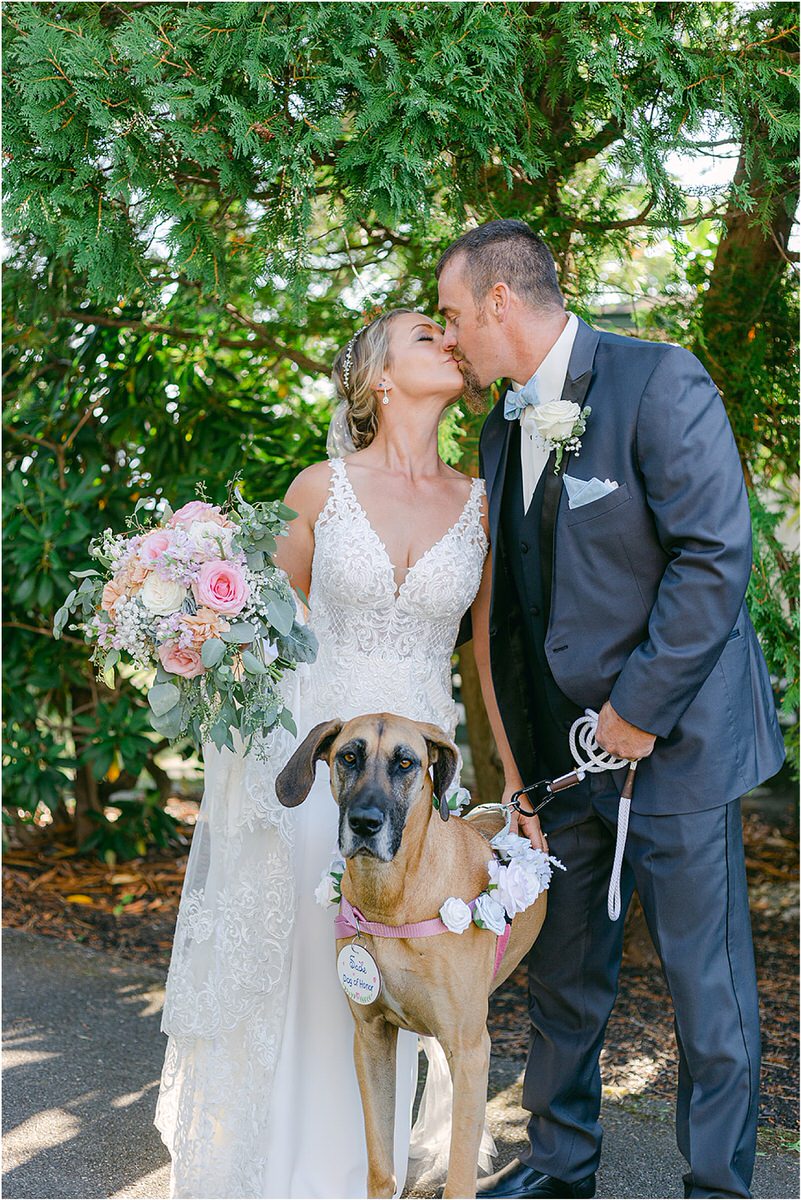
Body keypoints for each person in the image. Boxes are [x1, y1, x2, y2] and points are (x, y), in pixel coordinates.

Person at [436, 219, 786, 1200]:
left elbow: (713, 557)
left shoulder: (658, 380)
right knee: (564, 975)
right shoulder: (500, 428)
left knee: (705, 990)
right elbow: (513, 616)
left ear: (499, 301)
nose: (449, 337)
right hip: (561, 767)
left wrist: (637, 709)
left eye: (454, 316)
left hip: (680, 747)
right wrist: (522, 774)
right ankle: (560, 1167)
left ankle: (716, 1186)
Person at [155, 307, 522, 1197]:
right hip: (324, 755)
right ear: (378, 377)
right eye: (424, 333)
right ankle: (290, 1174)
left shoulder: (480, 500)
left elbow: (487, 656)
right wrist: (186, 622)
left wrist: (512, 781)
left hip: (418, 774)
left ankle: (370, 1178)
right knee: (317, 975)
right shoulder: (319, 488)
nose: (447, 339)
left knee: (406, 963)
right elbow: (264, 634)